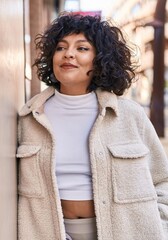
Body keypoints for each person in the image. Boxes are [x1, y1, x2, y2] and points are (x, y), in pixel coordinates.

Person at [17, 13, 168, 240]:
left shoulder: (128, 114)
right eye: (60, 47)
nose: (68, 54)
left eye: (82, 48)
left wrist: (157, 221)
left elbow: (162, 178)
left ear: (100, 59)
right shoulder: (30, 118)